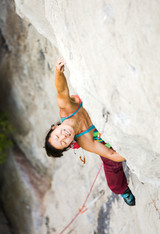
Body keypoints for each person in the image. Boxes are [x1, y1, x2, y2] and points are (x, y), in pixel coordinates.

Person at [44, 58, 135, 206]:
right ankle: (122, 190)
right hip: (103, 137)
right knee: (112, 167)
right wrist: (136, 154)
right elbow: (112, 155)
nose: (64, 136)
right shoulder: (85, 141)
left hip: (108, 119)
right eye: (63, 142)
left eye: (57, 135)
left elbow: (61, 90)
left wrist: (58, 73)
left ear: (55, 127)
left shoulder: (66, 108)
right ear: (69, 145)